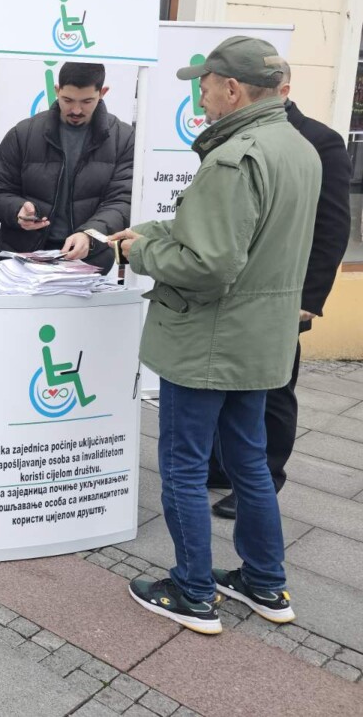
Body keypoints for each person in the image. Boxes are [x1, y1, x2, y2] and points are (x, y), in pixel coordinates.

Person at [110, 37, 320, 635]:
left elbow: (209, 263)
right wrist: (146, 229)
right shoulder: (297, 147)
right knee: (250, 461)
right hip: (258, 338)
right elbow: (228, 234)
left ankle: (193, 591)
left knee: (181, 462)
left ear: (231, 88)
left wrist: (141, 252)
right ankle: (263, 581)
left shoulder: (234, 157)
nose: (198, 93)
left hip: (207, 338)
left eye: (203, 83)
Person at [209, 59, 352, 518]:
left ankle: (265, 479)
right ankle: (220, 466)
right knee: (221, 381)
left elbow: (331, 227)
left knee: (272, 390)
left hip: (282, 295)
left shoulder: (319, 142)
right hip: (232, 293)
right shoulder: (232, 134)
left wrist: (310, 300)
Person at [0, 61, 133, 269]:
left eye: (86, 101)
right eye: (67, 100)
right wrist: (17, 211)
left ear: (103, 93)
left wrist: (89, 235)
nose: (76, 109)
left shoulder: (123, 138)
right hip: (23, 260)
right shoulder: (23, 134)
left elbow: (123, 201)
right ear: (56, 91)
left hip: (87, 261)